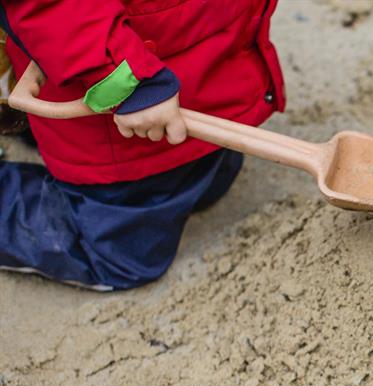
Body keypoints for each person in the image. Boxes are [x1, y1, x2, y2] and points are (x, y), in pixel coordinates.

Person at [0, 1, 285, 291]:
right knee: (123, 254)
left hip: (213, 64)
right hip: (116, 110)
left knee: (211, 177)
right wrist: (127, 80)